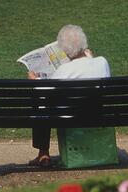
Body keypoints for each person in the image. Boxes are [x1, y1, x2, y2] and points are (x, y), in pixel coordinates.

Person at [28, 25, 111, 166]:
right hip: (97, 114)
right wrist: (90, 57)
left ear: (65, 50)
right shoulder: (102, 62)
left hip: (67, 117)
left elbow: (46, 90)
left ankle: (43, 153)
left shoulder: (64, 70)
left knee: (40, 99)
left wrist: (34, 81)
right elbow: (90, 69)